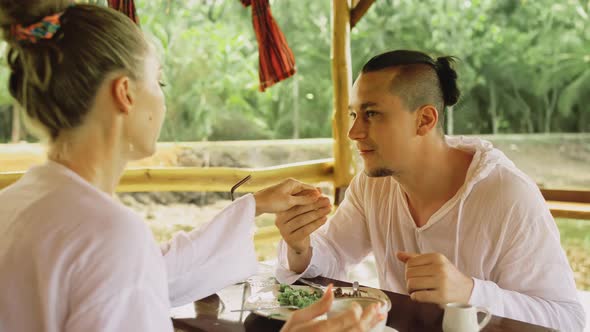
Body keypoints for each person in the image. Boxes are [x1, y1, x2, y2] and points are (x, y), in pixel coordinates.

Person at [0, 2, 384, 331]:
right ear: (126, 94)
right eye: (160, 83)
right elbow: (127, 264)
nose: (163, 102)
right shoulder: (108, 235)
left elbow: (151, 271)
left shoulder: (15, 205)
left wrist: (255, 206)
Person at [274, 49, 585, 331]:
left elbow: (567, 320)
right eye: (354, 114)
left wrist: (470, 292)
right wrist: (300, 245)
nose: (354, 132)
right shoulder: (373, 185)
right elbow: (332, 254)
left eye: (372, 114)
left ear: (424, 120)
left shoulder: (508, 196)